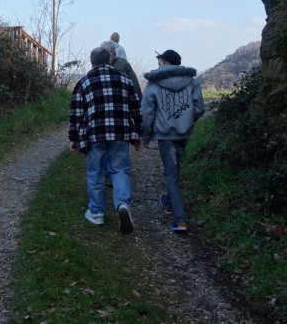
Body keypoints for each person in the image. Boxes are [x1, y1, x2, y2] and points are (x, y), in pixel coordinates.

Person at [68, 47, 143, 234]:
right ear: (110, 60)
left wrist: (73, 138)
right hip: (120, 132)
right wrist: (138, 134)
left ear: (92, 61)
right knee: (120, 170)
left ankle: (97, 212)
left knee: (95, 172)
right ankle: (123, 204)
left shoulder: (84, 82)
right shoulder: (124, 79)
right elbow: (136, 108)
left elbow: (76, 113)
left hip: (94, 134)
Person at [141, 49, 205, 232]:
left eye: (160, 62)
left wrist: (146, 134)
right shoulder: (191, 83)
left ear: (167, 63)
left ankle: (180, 219)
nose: (158, 65)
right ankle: (169, 202)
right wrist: (186, 122)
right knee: (174, 169)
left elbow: (147, 112)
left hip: (165, 136)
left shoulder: (153, 84)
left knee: (171, 174)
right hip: (183, 134)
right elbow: (199, 108)